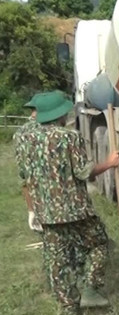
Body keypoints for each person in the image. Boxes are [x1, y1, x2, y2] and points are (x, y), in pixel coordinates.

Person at [20, 91, 119, 315]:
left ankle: (69, 309)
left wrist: (32, 209)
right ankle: (91, 289)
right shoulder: (69, 137)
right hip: (75, 210)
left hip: (46, 212)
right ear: (59, 115)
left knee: (57, 259)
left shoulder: (25, 139)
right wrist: (109, 163)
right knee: (99, 243)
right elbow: (84, 172)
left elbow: (24, 178)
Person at [14, 91, 52, 233]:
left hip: (35, 192)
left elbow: (23, 176)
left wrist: (31, 211)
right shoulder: (53, 130)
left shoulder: (19, 133)